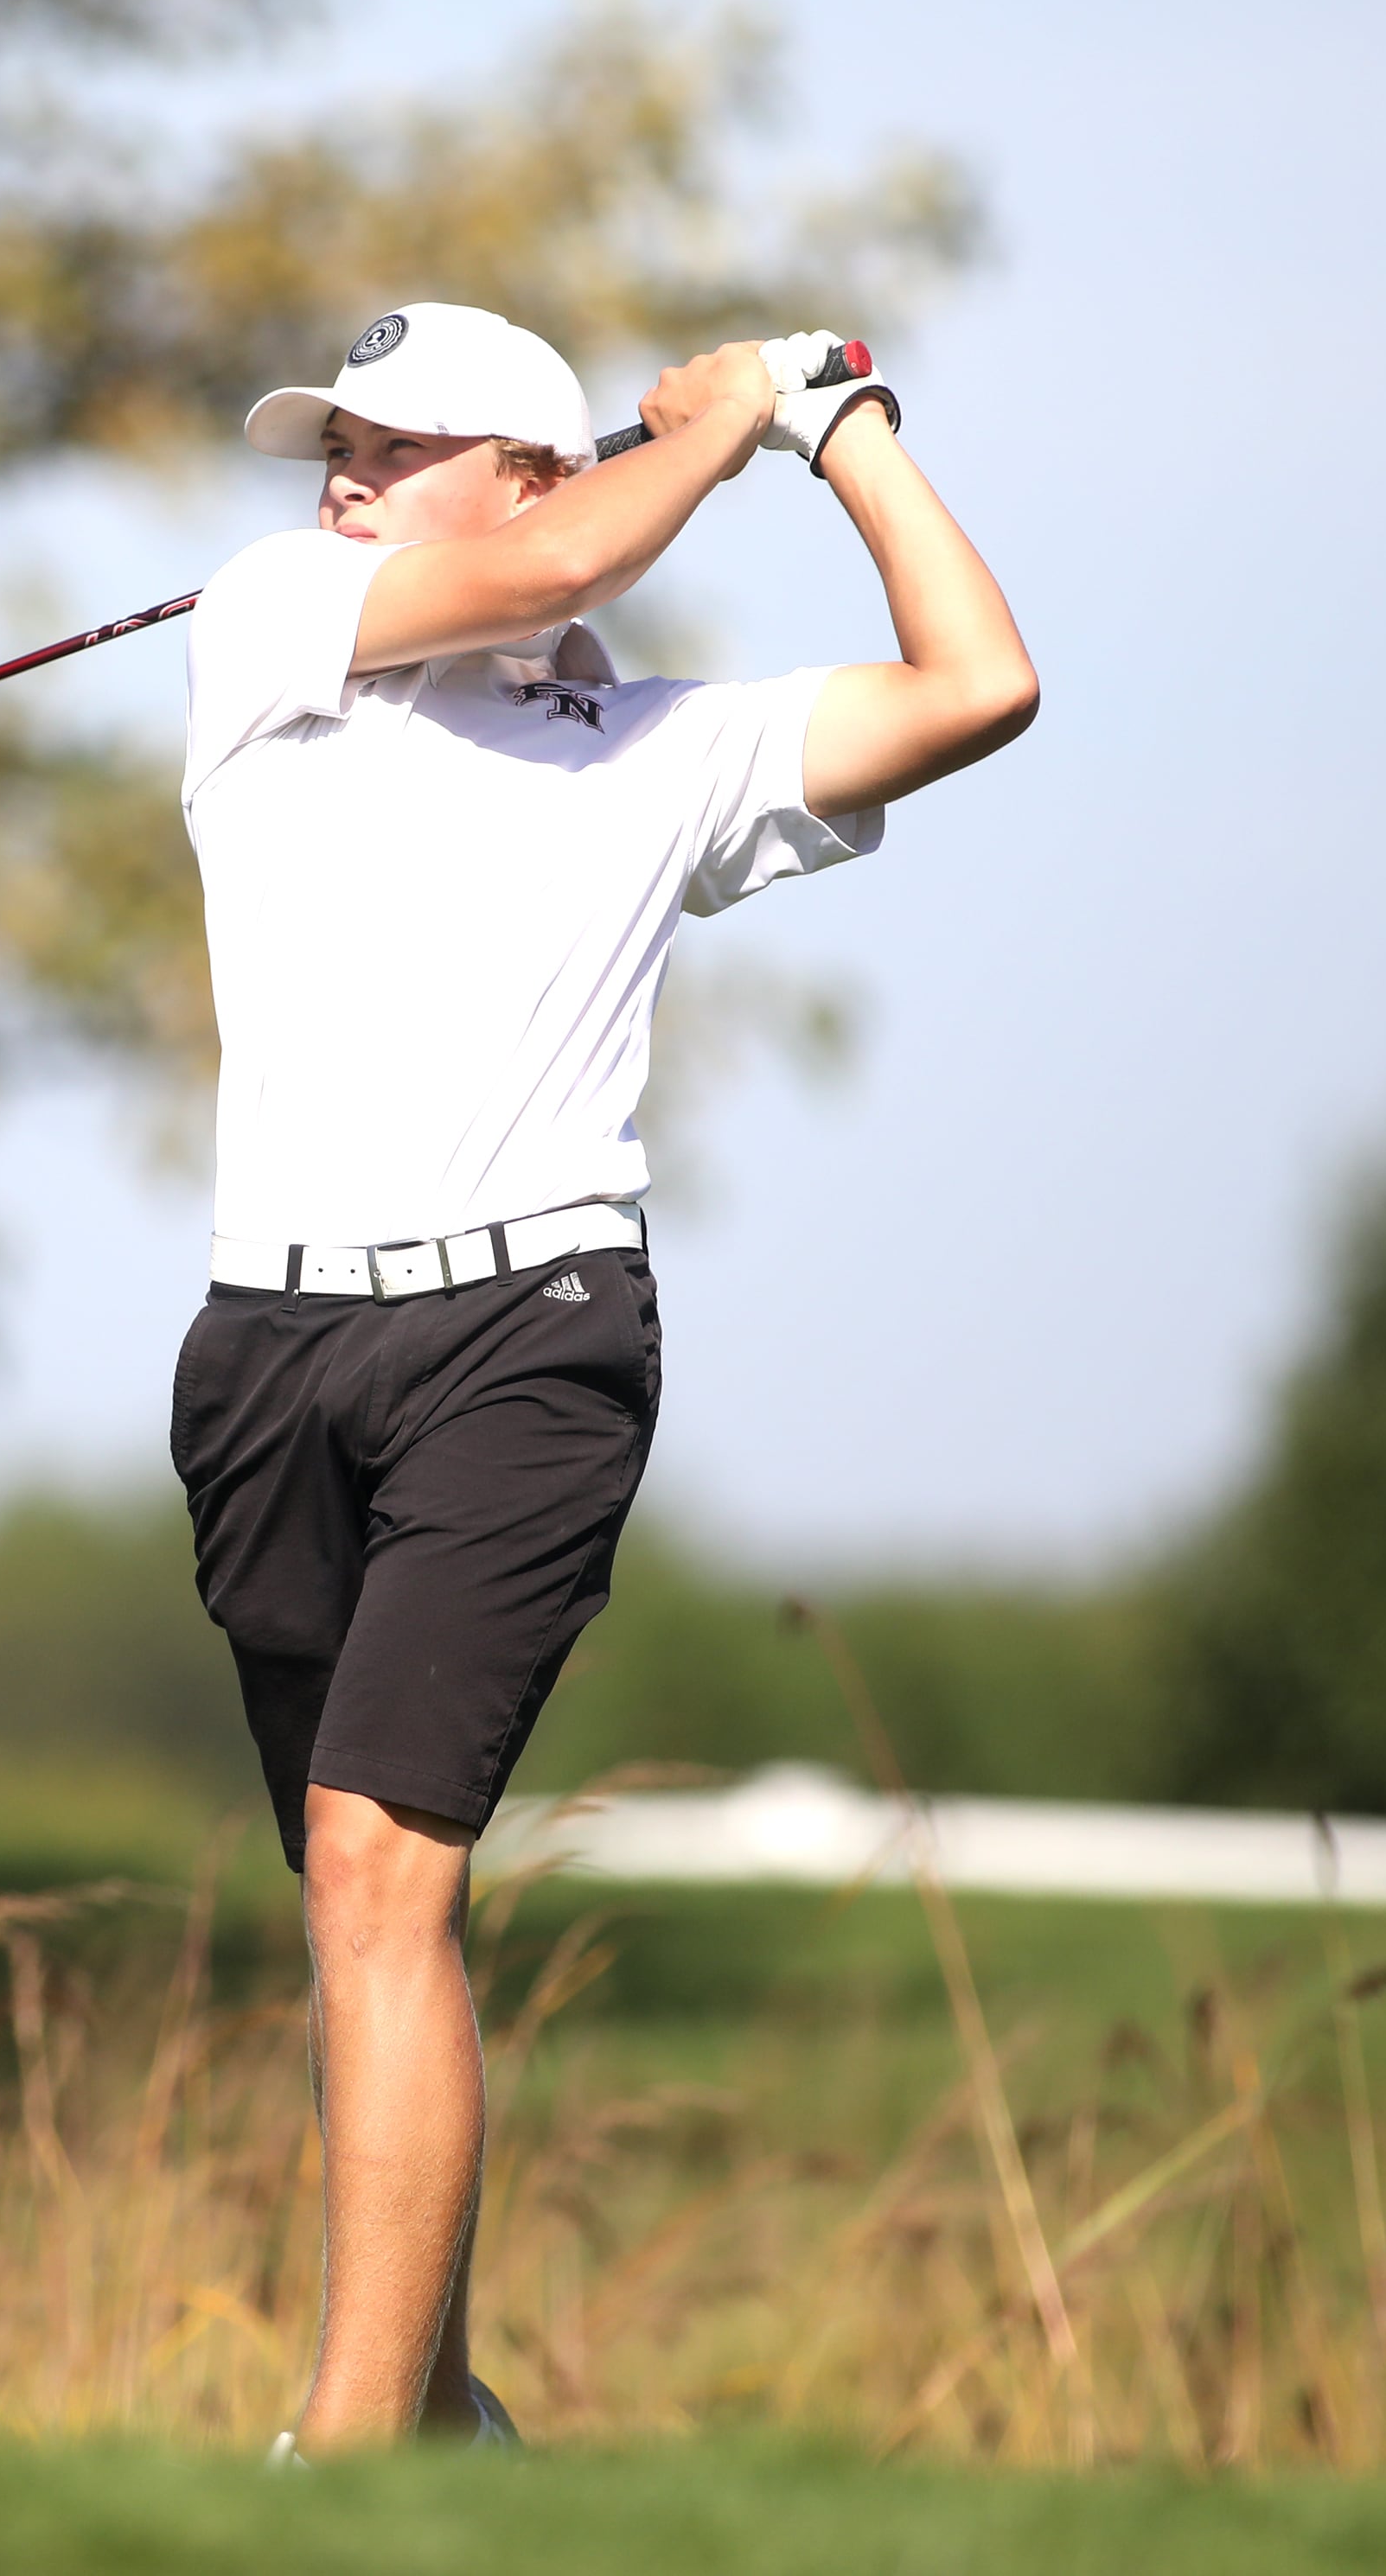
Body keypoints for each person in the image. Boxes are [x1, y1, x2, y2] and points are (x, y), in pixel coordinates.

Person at [167, 302, 1035, 2458]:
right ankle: (447, 2416)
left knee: (385, 1876)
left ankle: (347, 2462)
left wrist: (834, 431)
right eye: (334, 446)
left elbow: (979, 684)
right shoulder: (275, 622)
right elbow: (558, 573)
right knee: (355, 1906)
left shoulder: (660, 753)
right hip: (269, 1349)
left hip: (527, 1338)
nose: (342, 479)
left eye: (397, 444)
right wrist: (718, 421)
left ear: (535, 467)